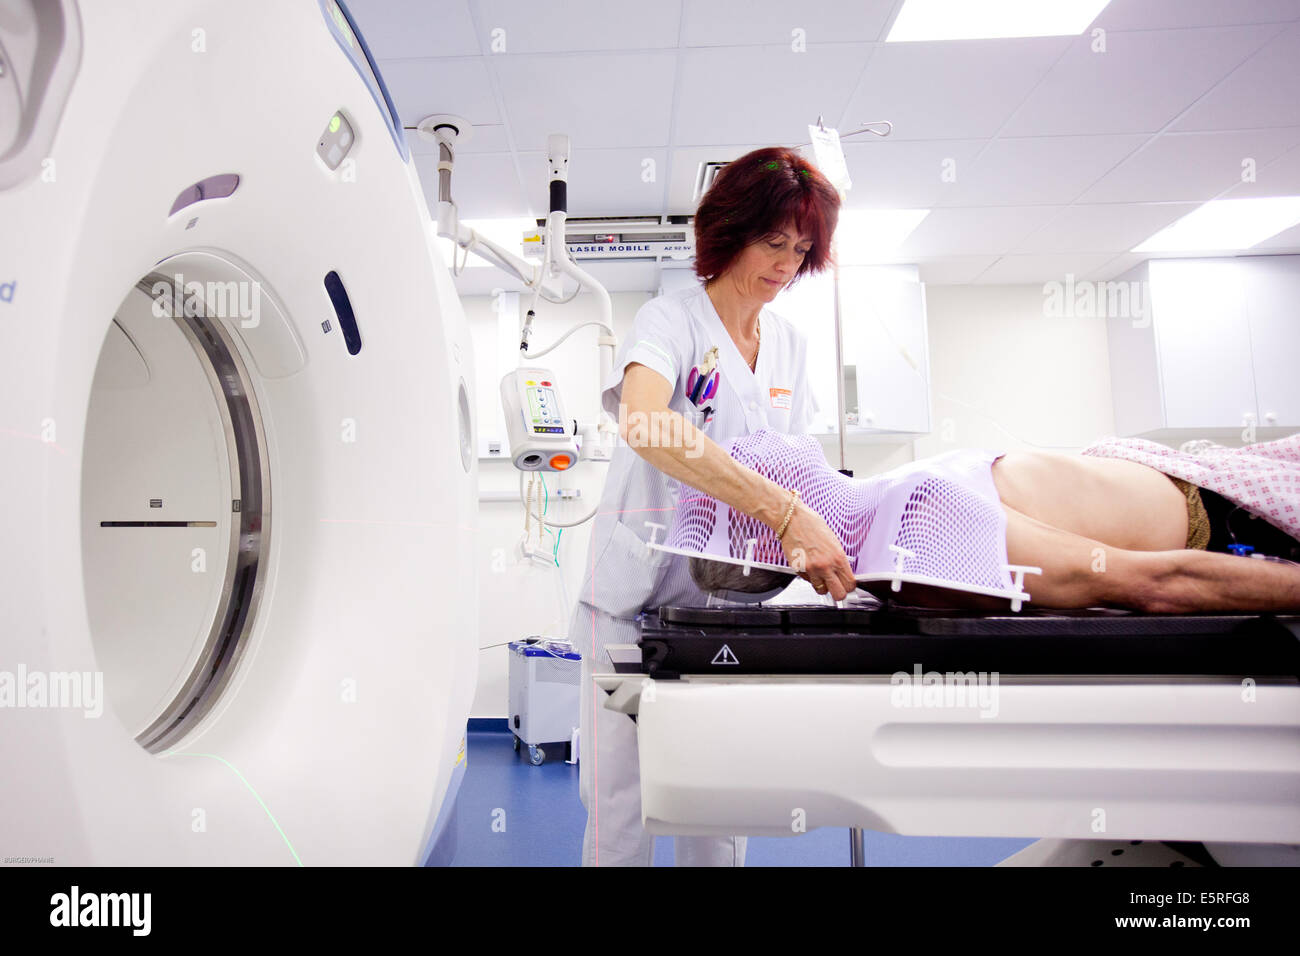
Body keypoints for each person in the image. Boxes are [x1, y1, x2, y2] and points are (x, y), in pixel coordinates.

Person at [567, 147, 854, 867]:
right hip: (629, 608)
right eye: (772, 241)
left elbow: (798, 466)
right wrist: (782, 512)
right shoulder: (672, 321)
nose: (786, 263)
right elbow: (643, 420)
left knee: (720, 808)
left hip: (729, 610)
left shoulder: (789, 346)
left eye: (801, 248)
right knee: (620, 814)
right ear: (731, 232)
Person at [681, 430, 1300, 613]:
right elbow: (1152, 583)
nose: (766, 438)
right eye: (753, 470)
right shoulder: (920, 536)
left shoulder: (883, 521)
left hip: (1203, 477)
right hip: (1237, 520)